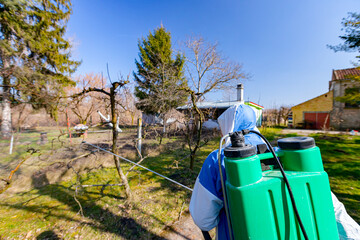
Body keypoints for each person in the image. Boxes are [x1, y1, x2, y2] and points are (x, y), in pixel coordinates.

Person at [189, 103, 360, 240]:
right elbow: (330, 207)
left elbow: (203, 219)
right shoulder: (283, 153)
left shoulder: (218, 160)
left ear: (227, 125)